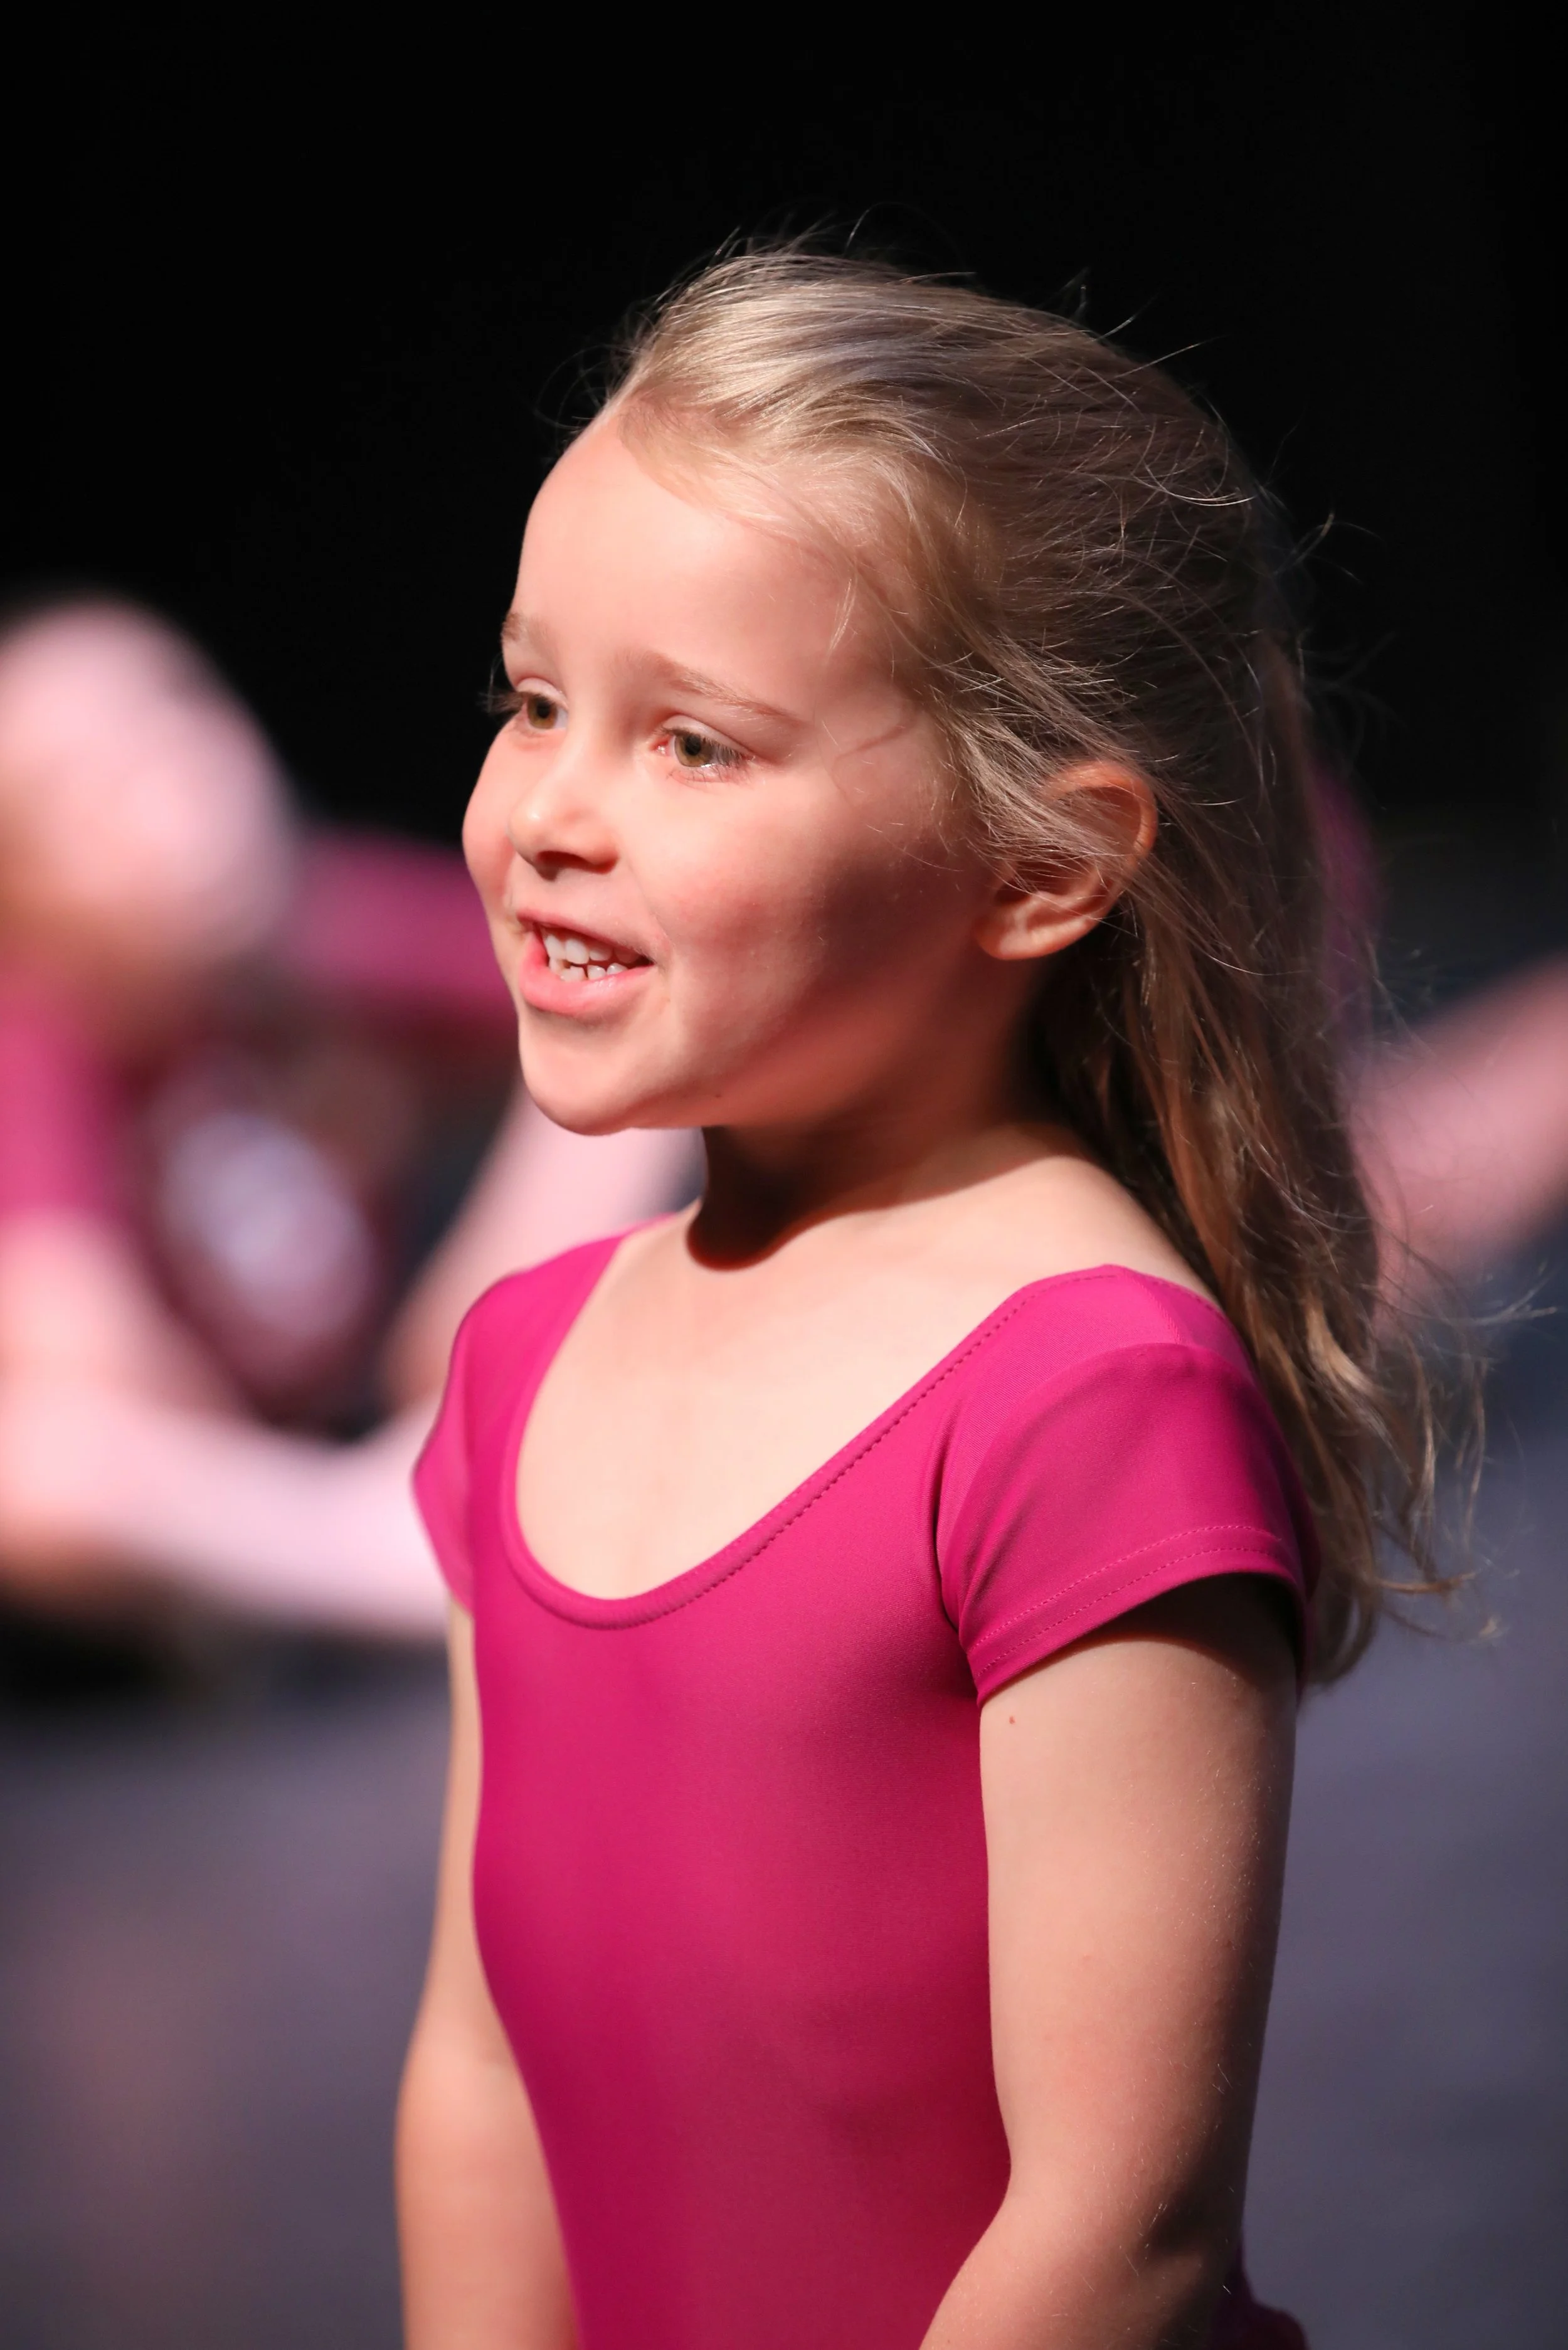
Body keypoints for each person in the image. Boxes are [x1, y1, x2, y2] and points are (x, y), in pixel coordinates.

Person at [396, 251, 1452, 2349]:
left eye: (694, 742)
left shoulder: (1085, 1399)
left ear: (1041, 864)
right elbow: (483, 2073)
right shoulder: (522, 1360)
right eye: (532, 704)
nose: (554, 815)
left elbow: (1116, 2234)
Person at [0, 598, 692, 1636]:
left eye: (175, 717)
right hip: (219, 1494)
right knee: (42, 1466)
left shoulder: (330, 927)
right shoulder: (35, 1034)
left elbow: (641, 990)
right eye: (75, 791)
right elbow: (73, 1342)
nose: (162, 791)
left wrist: (466, 1335)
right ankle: (408, 1564)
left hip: (393, 1430)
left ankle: (415, 1532)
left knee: (647, 1050)